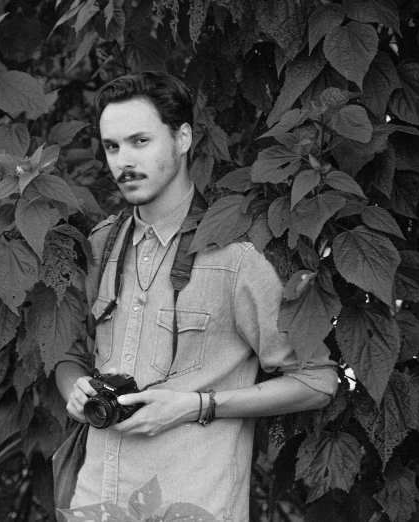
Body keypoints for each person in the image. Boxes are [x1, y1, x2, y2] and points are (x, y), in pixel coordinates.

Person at [54, 71, 338, 521]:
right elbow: (67, 355)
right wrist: (75, 389)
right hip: (95, 503)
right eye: (112, 146)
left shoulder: (240, 254)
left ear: (183, 137)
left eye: (140, 141)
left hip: (191, 505)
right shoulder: (100, 245)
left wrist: (194, 406)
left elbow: (318, 382)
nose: (123, 161)